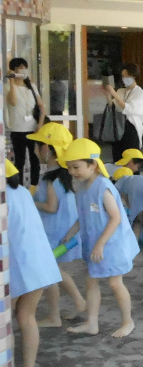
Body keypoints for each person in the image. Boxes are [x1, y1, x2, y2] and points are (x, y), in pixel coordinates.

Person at [59, 138, 139, 338]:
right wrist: (70, 233)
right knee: (91, 281)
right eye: (69, 168)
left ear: (93, 164)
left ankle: (128, 321)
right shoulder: (83, 188)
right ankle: (91, 323)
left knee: (114, 283)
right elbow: (84, 216)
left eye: (76, 167)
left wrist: (100, 244)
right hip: (95, 244)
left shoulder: (102, 186)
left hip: (112, 244)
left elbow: (115, 217)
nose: (72, 172)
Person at [6, 160, 62, 367]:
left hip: (18, 266)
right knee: (26, 317)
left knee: (5, 323)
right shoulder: (20, 192)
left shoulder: (4, 198)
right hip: (39, 262)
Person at [29, 123, 87, 327]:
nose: (36, 150)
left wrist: (30, 201)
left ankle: (60, 313)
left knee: (51, 271)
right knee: (52, 272)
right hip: (63, 229)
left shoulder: (50, 178)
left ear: (46, 148)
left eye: (37, 146)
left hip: (54, 231)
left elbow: (51, 207)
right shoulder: (65, 174)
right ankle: (70, 306)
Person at [5, 57, 46, 186]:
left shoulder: (31, 86)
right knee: (20, 161)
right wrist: (11, 82)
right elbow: (13, 102)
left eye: (24, 68)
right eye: (20, 68)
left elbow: (41, 106)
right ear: (13, 70)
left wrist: (40, 124)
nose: (23, 71)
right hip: (18, 130)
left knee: (35, 160)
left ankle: (34, 187)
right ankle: (20, 187)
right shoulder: (7, 87)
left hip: (33, 128)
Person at [103, 63, 143, 163]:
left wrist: (115, 94)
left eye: (127, 76)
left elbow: (129, 109)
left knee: (131, 160)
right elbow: (113, 107)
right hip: (118, 128)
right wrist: (108, 95)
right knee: (117, 158)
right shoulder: (121, 91)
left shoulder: (140, 93)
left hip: (131, 128)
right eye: (123, 76)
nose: (124, 78)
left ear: (134, 76)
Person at [112, 167, 143, 241]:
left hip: (138, 192)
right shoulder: (135, 178)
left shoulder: (119, 183)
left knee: (137, 220)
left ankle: (133, 244)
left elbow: (127, 201)